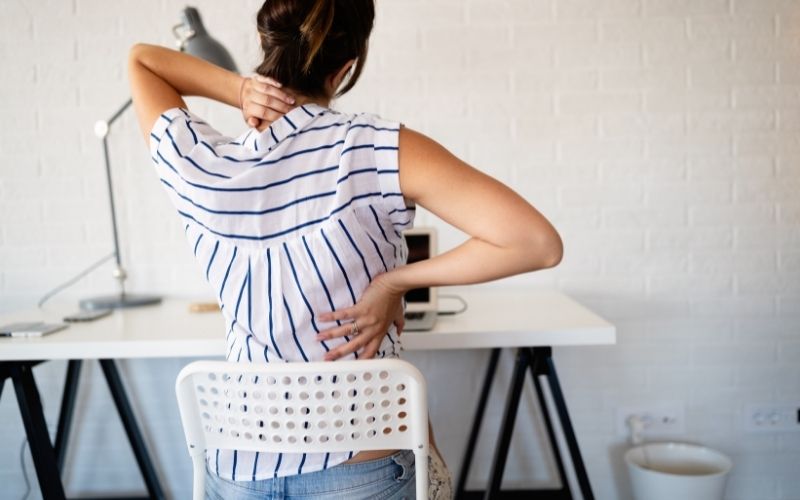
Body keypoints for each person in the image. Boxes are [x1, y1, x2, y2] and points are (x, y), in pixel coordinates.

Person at [129, 0, 563, 498]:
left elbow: (142, 60)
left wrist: (240, 89)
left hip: (235, 473)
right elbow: (535, 243)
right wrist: (395, 282)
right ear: (346, 68)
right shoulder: (373, 146)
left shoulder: (202, 167)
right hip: (362, 470)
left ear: (267, 48)